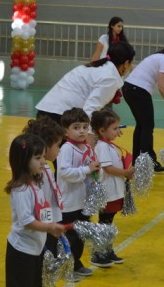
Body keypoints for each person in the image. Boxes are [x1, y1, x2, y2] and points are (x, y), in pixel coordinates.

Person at [36, 41, 135, 146]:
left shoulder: (100, 67)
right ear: (126, 63)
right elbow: (90, 109)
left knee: (49, 157)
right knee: (68, 159)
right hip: (59, 117)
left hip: (48, 111)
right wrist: (89, 139)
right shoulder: (110, 77)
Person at [5, 134, 65, 287]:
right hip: (21, 251)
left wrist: (51, 224)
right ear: (24, 160)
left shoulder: (36, 181)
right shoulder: (21, 189)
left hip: (36, 248)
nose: (43, 162)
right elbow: (27, 221)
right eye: (38, 158)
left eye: (43, 156)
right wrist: (50, 227)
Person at [122, 38, 164, 172]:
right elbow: (162, 87)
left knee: (141, 125)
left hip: (128, 88)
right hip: (139, 90)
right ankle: (149, 162)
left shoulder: (160, 58)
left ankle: (138, 162)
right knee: (147, 126)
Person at [57, 108, 102, 274]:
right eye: (76, 127)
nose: (82, 131)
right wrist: (86, 169)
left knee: (81, 234)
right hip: (69, 202)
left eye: (85, 127)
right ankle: (66, 266)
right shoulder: (67, 149)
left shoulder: (87, 148)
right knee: (70, 236)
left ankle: (76, 263)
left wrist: (96, 170)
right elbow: (64, 173)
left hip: (83, 201)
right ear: (65, 131)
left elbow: (90, 170)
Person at [90, 108, 135, 266]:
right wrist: (126, 172)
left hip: (115, 191)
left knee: (108, 222)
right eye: (115, 128)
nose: (118, 131)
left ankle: (107, 250)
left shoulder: (109, 145)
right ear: (102, 131)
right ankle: (98, 253)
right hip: (108, 191)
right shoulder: (102, 146)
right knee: (105, 222)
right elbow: (108, 168)